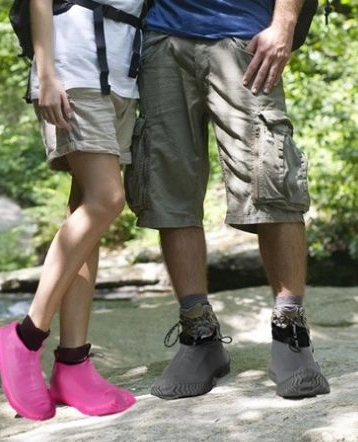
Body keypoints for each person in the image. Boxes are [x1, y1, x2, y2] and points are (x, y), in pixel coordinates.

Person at [126, 0, 330, 400]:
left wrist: (283, 24)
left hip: (246, 38)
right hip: (162, 38)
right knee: (169, 191)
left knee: (270, 178)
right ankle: (199, 337)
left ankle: (291, 335)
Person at [0, 0, 145, 420]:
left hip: (121, 79)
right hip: (72, 68)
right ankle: (25, 336)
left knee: (85, 212)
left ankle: (73, 363)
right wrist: (45, 74)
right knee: (107, 199)